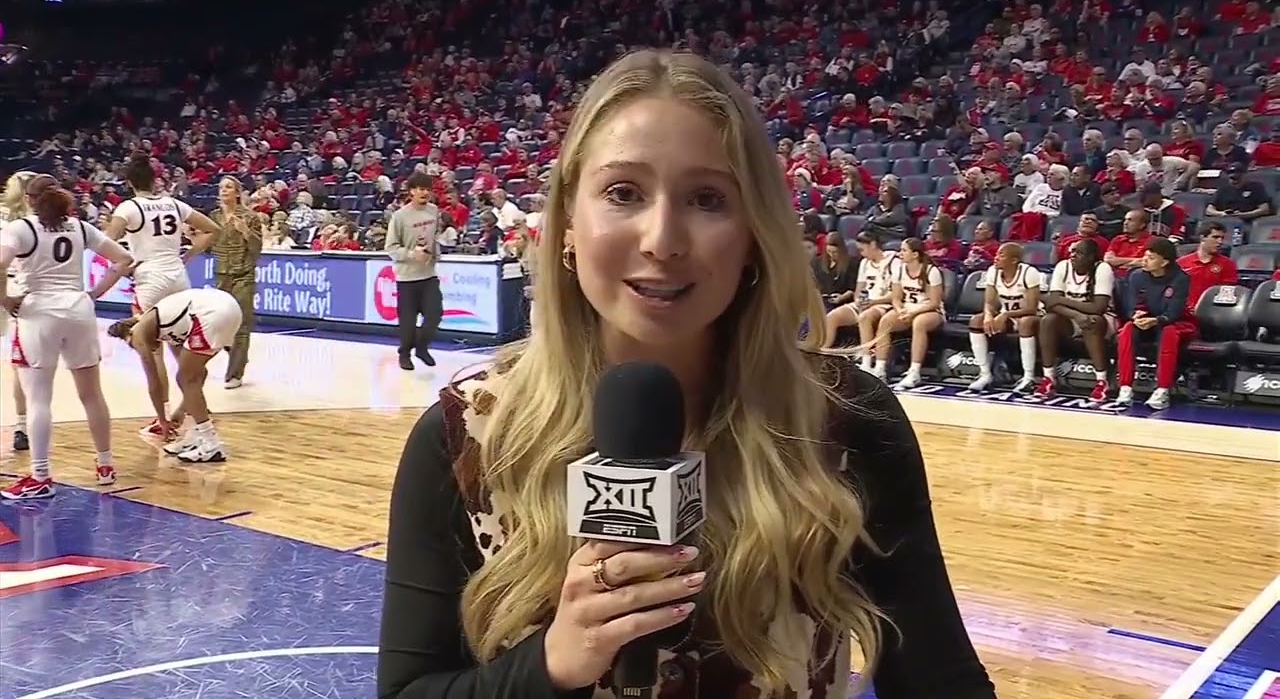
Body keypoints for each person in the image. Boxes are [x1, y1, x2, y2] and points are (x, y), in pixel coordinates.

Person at [378, 50, 994, 699]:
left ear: (755, 232)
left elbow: (940, 679)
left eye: (706, 199)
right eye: (623, 193)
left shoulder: (845, 422)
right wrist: (552, 663)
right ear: (566, 224)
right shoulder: (466, 438)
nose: (662, 239)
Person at [0, 176, 134, 499]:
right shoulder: (80, 228)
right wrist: (95, 293)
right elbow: (124, 260)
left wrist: (5, 300)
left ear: (30, 199)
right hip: (78, 309)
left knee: (39, 399)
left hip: (38, 312)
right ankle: (105, 464)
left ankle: (41, 475)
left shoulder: (21, 229)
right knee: (92, 394)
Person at [105, 153, 221, 438]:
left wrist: (126, 262)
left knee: (152, 356)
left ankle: (163, 420)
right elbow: (213, 229)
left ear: (129, 182)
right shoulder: (174, 203)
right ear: (154, 179)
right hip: (178, 279)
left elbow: (106, 241)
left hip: (150, 280)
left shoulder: (129, 207)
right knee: (185, 353)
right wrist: (189, 254)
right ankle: (184, 410)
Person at [105, 287, 244, 463]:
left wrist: (162, 420)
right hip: (229, 308)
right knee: (190, 375)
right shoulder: (168, 325)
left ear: (129, 334)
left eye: (132, 346)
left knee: (185, 377)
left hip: (212, 312)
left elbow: (154, 383)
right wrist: (179, 412)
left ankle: (211, 443)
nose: (138, 348)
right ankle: (198, 432)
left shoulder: (139, 332)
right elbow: (200, 373)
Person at [1115, 238, 1193, 411]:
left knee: (1169, 331)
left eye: (1150, 257)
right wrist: (1135, 315)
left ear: (1164, 261)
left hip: (1177, 322)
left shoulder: (1180, 279)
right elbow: (1131, 305)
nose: (1144, 259)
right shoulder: (1136, 276)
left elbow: (1174, 313)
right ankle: (1125, 387)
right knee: (1127, 329)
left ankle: (1162, 389)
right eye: (1145, 255)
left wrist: (1156, 321)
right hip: (1148, 322)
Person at [1036, 239, 1117, 403]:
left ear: (1091, 257)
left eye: (1078, 253)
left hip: (1104, 320)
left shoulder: (1102, 269)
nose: (1072, 256)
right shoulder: (1063, 266)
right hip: (1072, 319)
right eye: (1072, 252)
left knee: (1092, 321)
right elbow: (1051, 305)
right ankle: (1049, 378)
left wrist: (1063, 301)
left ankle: (1102, 381)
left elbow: (1098, 308)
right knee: (1048, 320)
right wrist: (1076, 315)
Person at [208, 176, 264, 389]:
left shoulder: (250, 217)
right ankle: (239, 355)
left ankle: (234, 373)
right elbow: (207, 246)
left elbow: (257, 249)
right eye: (221, 187)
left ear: (238, 193)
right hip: (221, 275)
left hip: (243, 274)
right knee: (219, 324)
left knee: (241, 325)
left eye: (229, 187)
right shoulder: (213, 217)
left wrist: (246, 232)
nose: (224, 190)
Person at [385, 171, 443, 370]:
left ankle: (422, 347)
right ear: (411, 191)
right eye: (420, 189)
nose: (424, 192)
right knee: (408, 324)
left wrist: (435, 253)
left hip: (428, 275)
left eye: (427, 189)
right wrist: (411, 254)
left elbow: (433, 237)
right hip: (407, 278)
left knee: (435, 315)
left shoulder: (434, 211)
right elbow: (390, 247)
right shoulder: (400, 216)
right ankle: (405, 353)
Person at [871, 236, 945, 389]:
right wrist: (900, 310)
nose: (900, 253)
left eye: (904, 250)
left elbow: (934, 302)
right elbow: (896, 298)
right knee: (885, 321)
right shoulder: (899, 269)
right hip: (908, 308)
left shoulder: (931, 271)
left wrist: (913, 313)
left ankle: (914, 372)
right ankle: (880, 369)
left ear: (915, 254)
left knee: (919, 323)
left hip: (931, 310)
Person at [967, 242, 1042, 393]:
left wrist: (1005, 314)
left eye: (1001, 255)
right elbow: (989, 302)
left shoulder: (1029, 272)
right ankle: (985, 374)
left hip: (1032, 316)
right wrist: (988, 315)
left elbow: (1032, 308)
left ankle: (1028, 377)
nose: (996, 258)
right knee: (976, 321)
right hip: (1006, 316)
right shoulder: (992, 272)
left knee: (1025, 323)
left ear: (1014, 260)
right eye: (997, 254)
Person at [819, 231, 897, 364]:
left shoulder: (894, 262)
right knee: (832, 317)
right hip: (866, 303)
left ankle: (866, 361)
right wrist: (858, 301)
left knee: (865, 317)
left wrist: (872, 302)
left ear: (873, 245)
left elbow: (896, 294)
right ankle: (821, 356)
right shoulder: (864, 263)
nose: (861, 253)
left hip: (883, 304)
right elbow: (859, 290)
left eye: (862, 249)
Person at [1, 171, 34, 453]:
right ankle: (23, 426)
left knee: (20, 366)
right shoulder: (46, 221)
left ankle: (24, 426)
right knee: (21, 367)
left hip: (12, 291)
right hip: (21, 293)